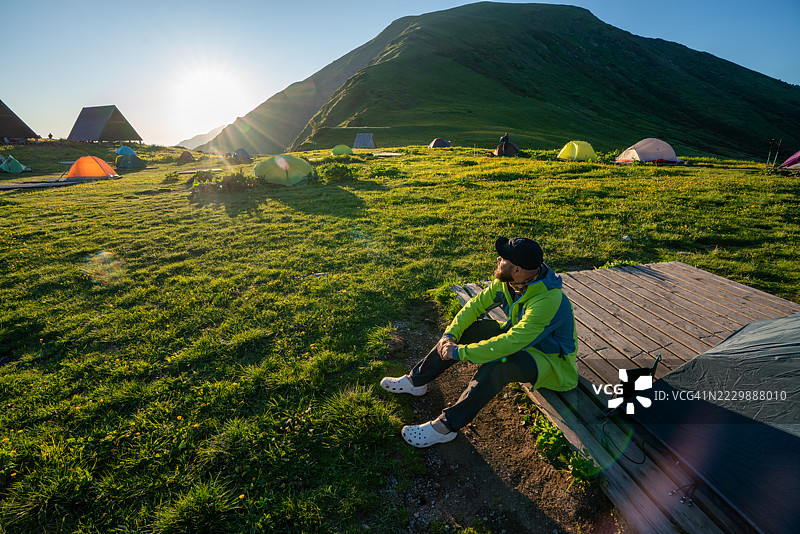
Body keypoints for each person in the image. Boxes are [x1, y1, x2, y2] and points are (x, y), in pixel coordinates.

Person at [381, 236, 579, 447]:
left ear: (518, 270)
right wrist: (450, 336)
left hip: (551, 361)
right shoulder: (510, 282)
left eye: (503, 258)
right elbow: (475, 306)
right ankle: (416, 381)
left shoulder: (548, 299)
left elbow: (512, 343)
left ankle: (445, 427)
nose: (497, 259)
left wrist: (459, 352)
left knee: (499, 366)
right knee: (469, 330)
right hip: (520, 339)